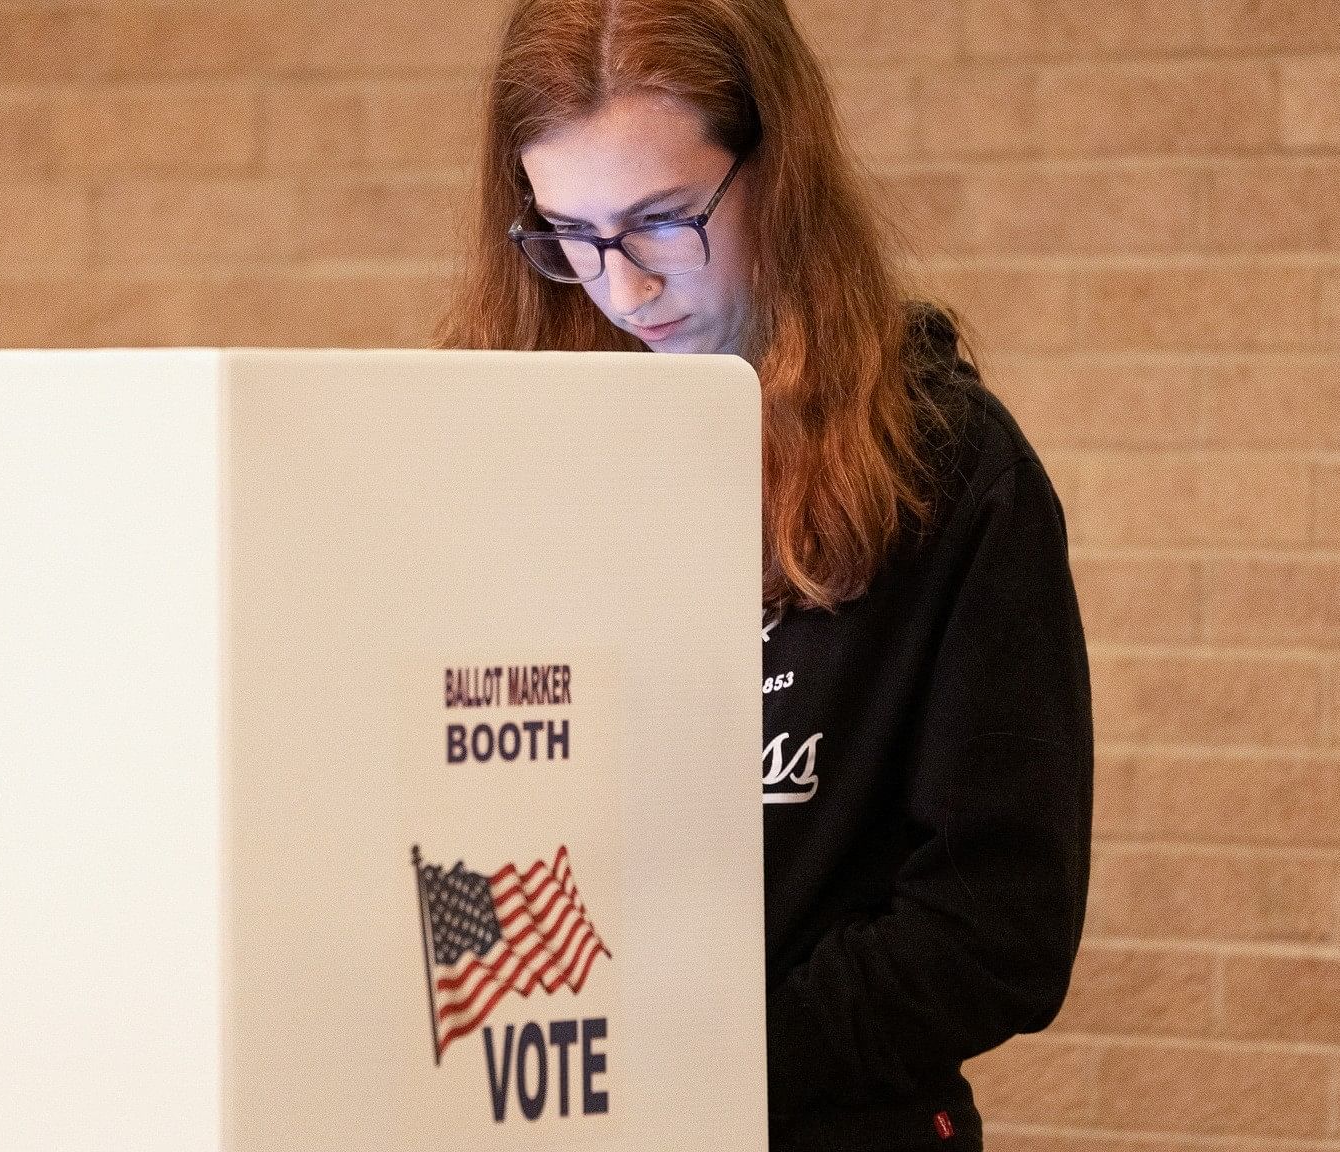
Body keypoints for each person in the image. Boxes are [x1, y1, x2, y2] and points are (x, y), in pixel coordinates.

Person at [438, 1, 1094, 1148]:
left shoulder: (948, 472)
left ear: (776, 170)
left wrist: (687, 1065)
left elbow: (996, 930)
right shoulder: (523, 444)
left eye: (660, 220)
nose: (622, 289)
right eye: (568, 234)